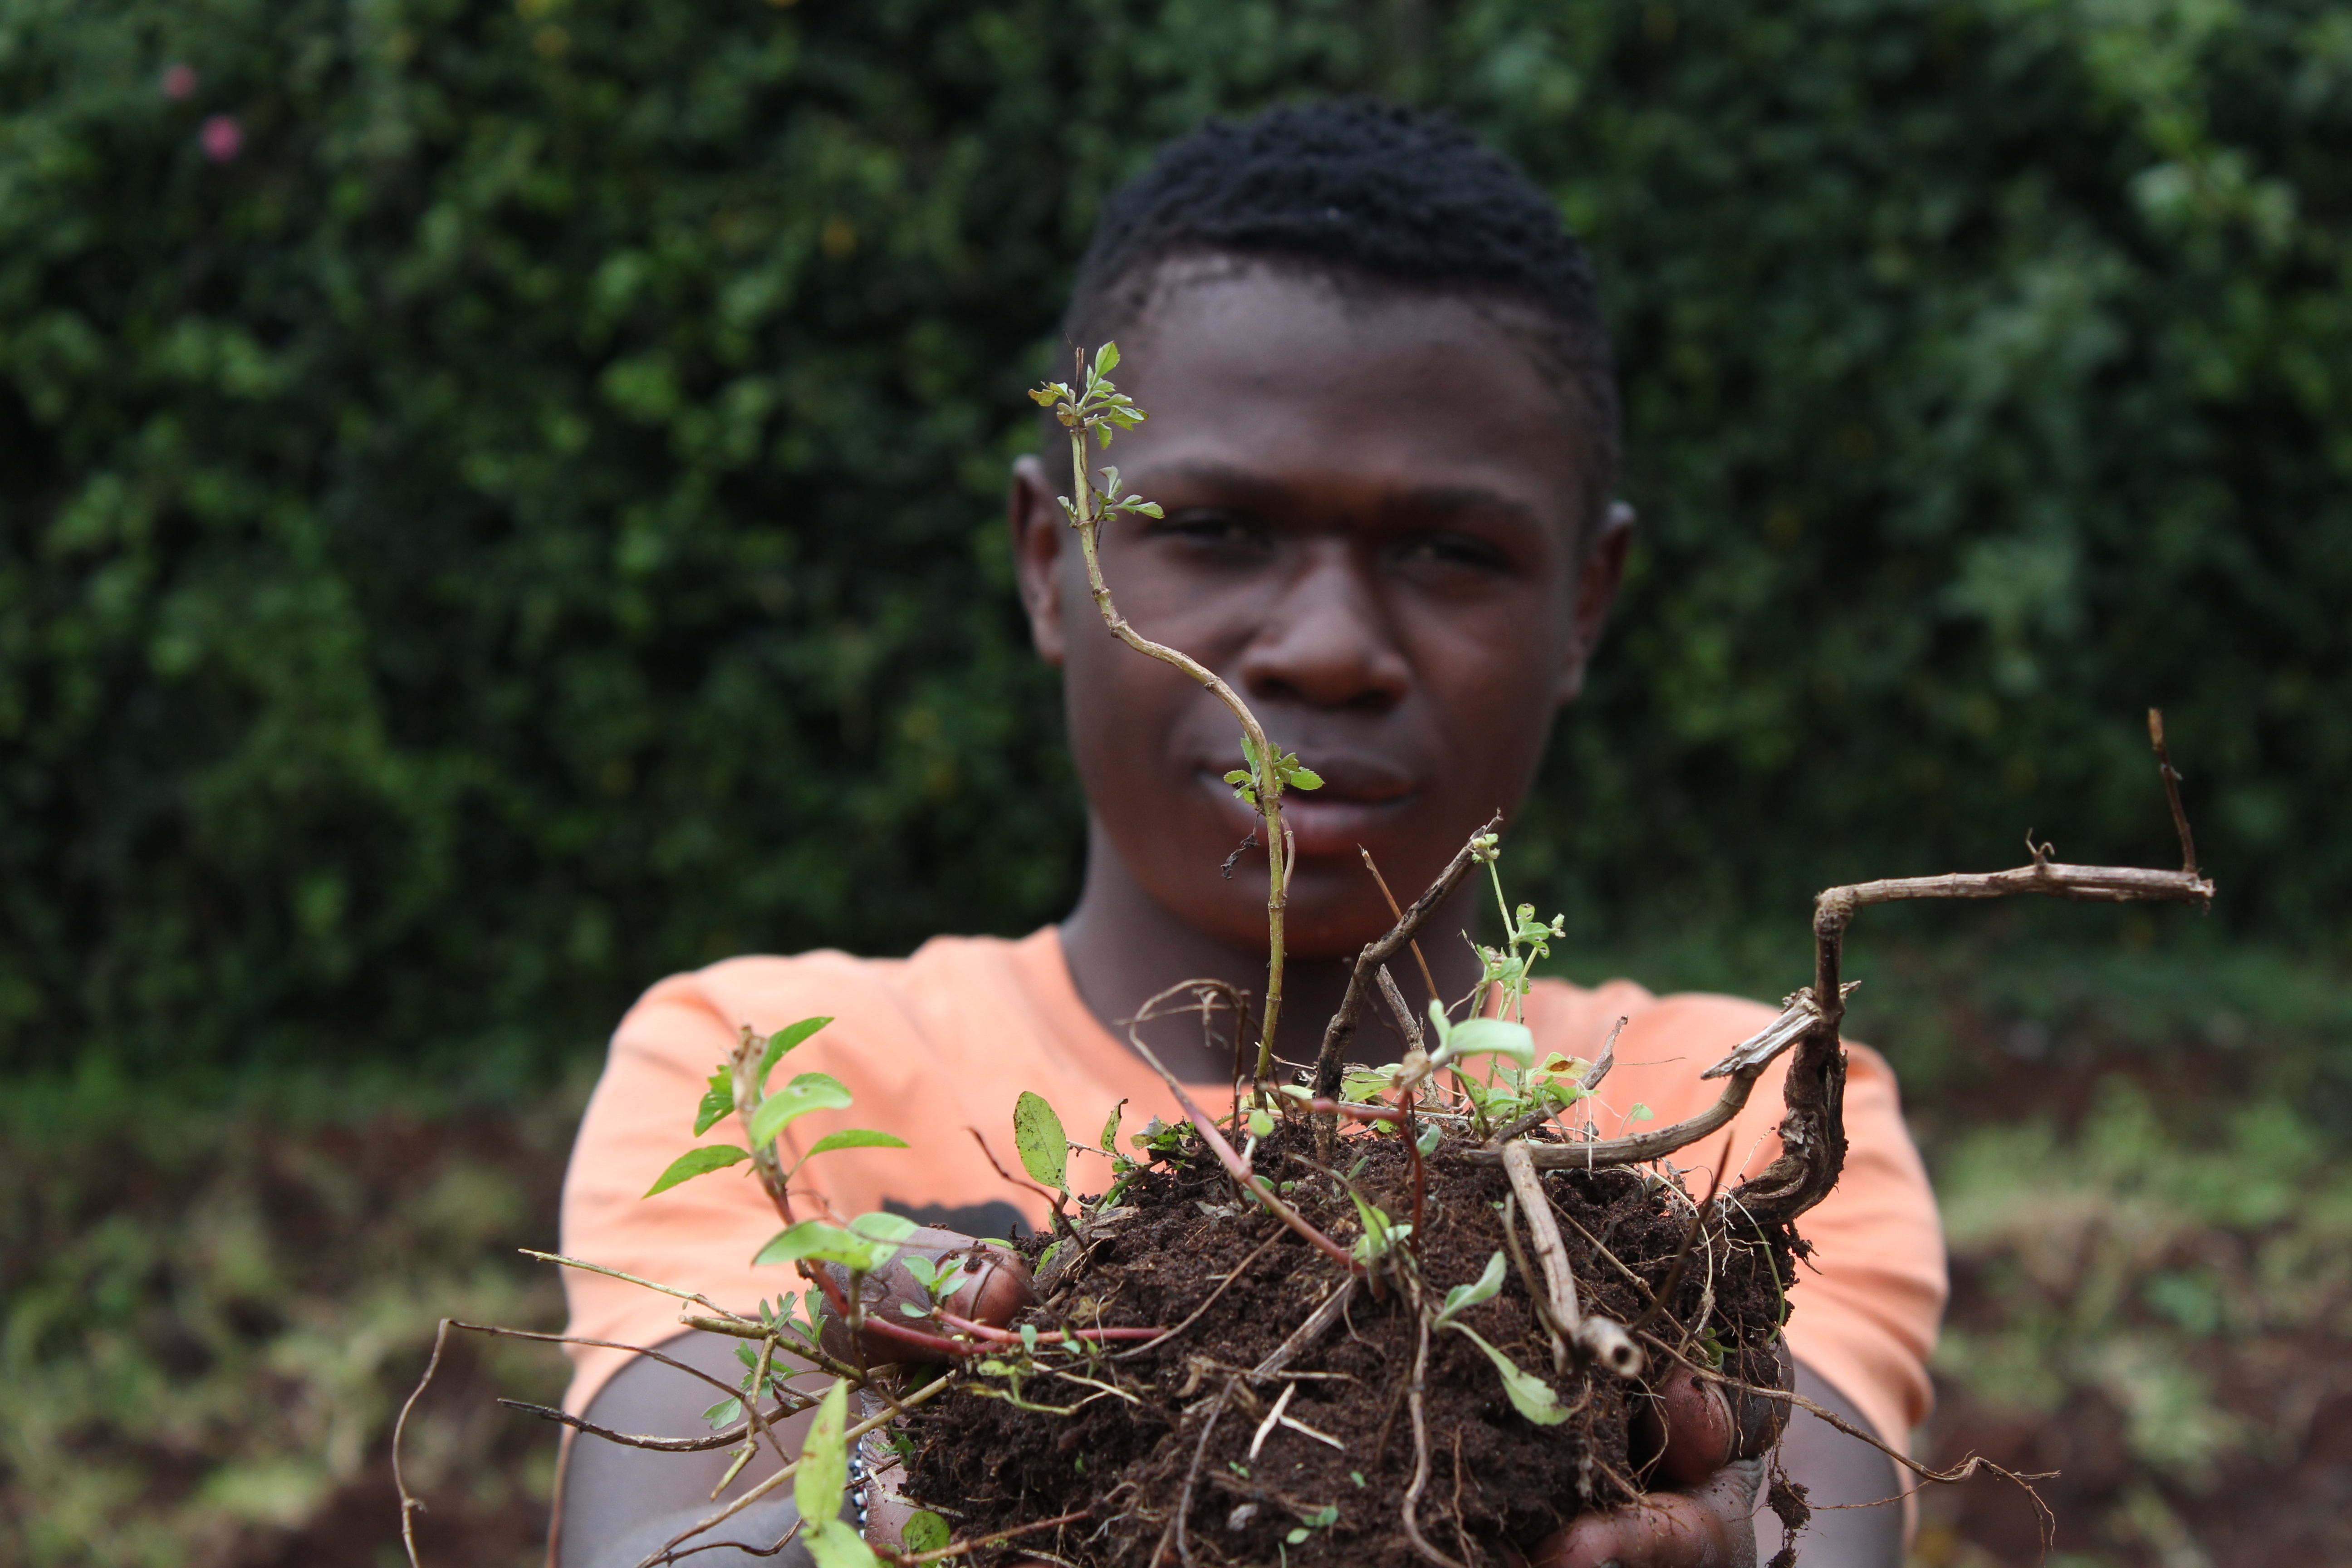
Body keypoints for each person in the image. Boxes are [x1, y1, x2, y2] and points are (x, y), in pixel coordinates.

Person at [548, 101, 1945, 1568]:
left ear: (1585, 604)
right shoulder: (772, 1077)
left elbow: (1809, 1520)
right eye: (1214, 529)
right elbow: (661, 1535)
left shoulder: (1738, 1113)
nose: (1328, 647)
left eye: (1450, 551)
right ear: (1053, 561)